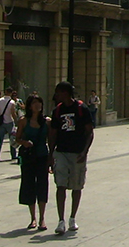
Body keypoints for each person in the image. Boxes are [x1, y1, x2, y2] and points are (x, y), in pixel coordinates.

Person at [48, 81, 94, 235]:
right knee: (60, 184)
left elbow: (89, 132)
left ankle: (72, 217)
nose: (56, 95)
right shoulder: (57, 110)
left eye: (58, 92)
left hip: (77, 153)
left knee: (76, 186)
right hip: (61, 152)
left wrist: (84, 151)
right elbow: (53, 133)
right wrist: (51, 154)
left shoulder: (81, 109)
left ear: (66, 93)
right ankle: (60, 220)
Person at [16, 94, 51, 230]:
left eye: (40, 103)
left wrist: (52, 158)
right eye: (35, 103)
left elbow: (52, 139)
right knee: (29, 185)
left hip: (42, 156)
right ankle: (33, 218)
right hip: (29, 157)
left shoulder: (47, 121)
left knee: (42, 186)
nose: (38, 105)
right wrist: (24, 142)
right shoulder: (23, 121)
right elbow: (17, 138)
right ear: (30, 106)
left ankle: (42, 218)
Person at [0, 87, 18, 162]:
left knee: (0, 140)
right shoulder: (11, 102)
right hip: (9, 121)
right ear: (11, 93)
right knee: (12, 139)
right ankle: (13, 155)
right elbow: (13, 113)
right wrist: (16, 121)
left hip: (1, 122)